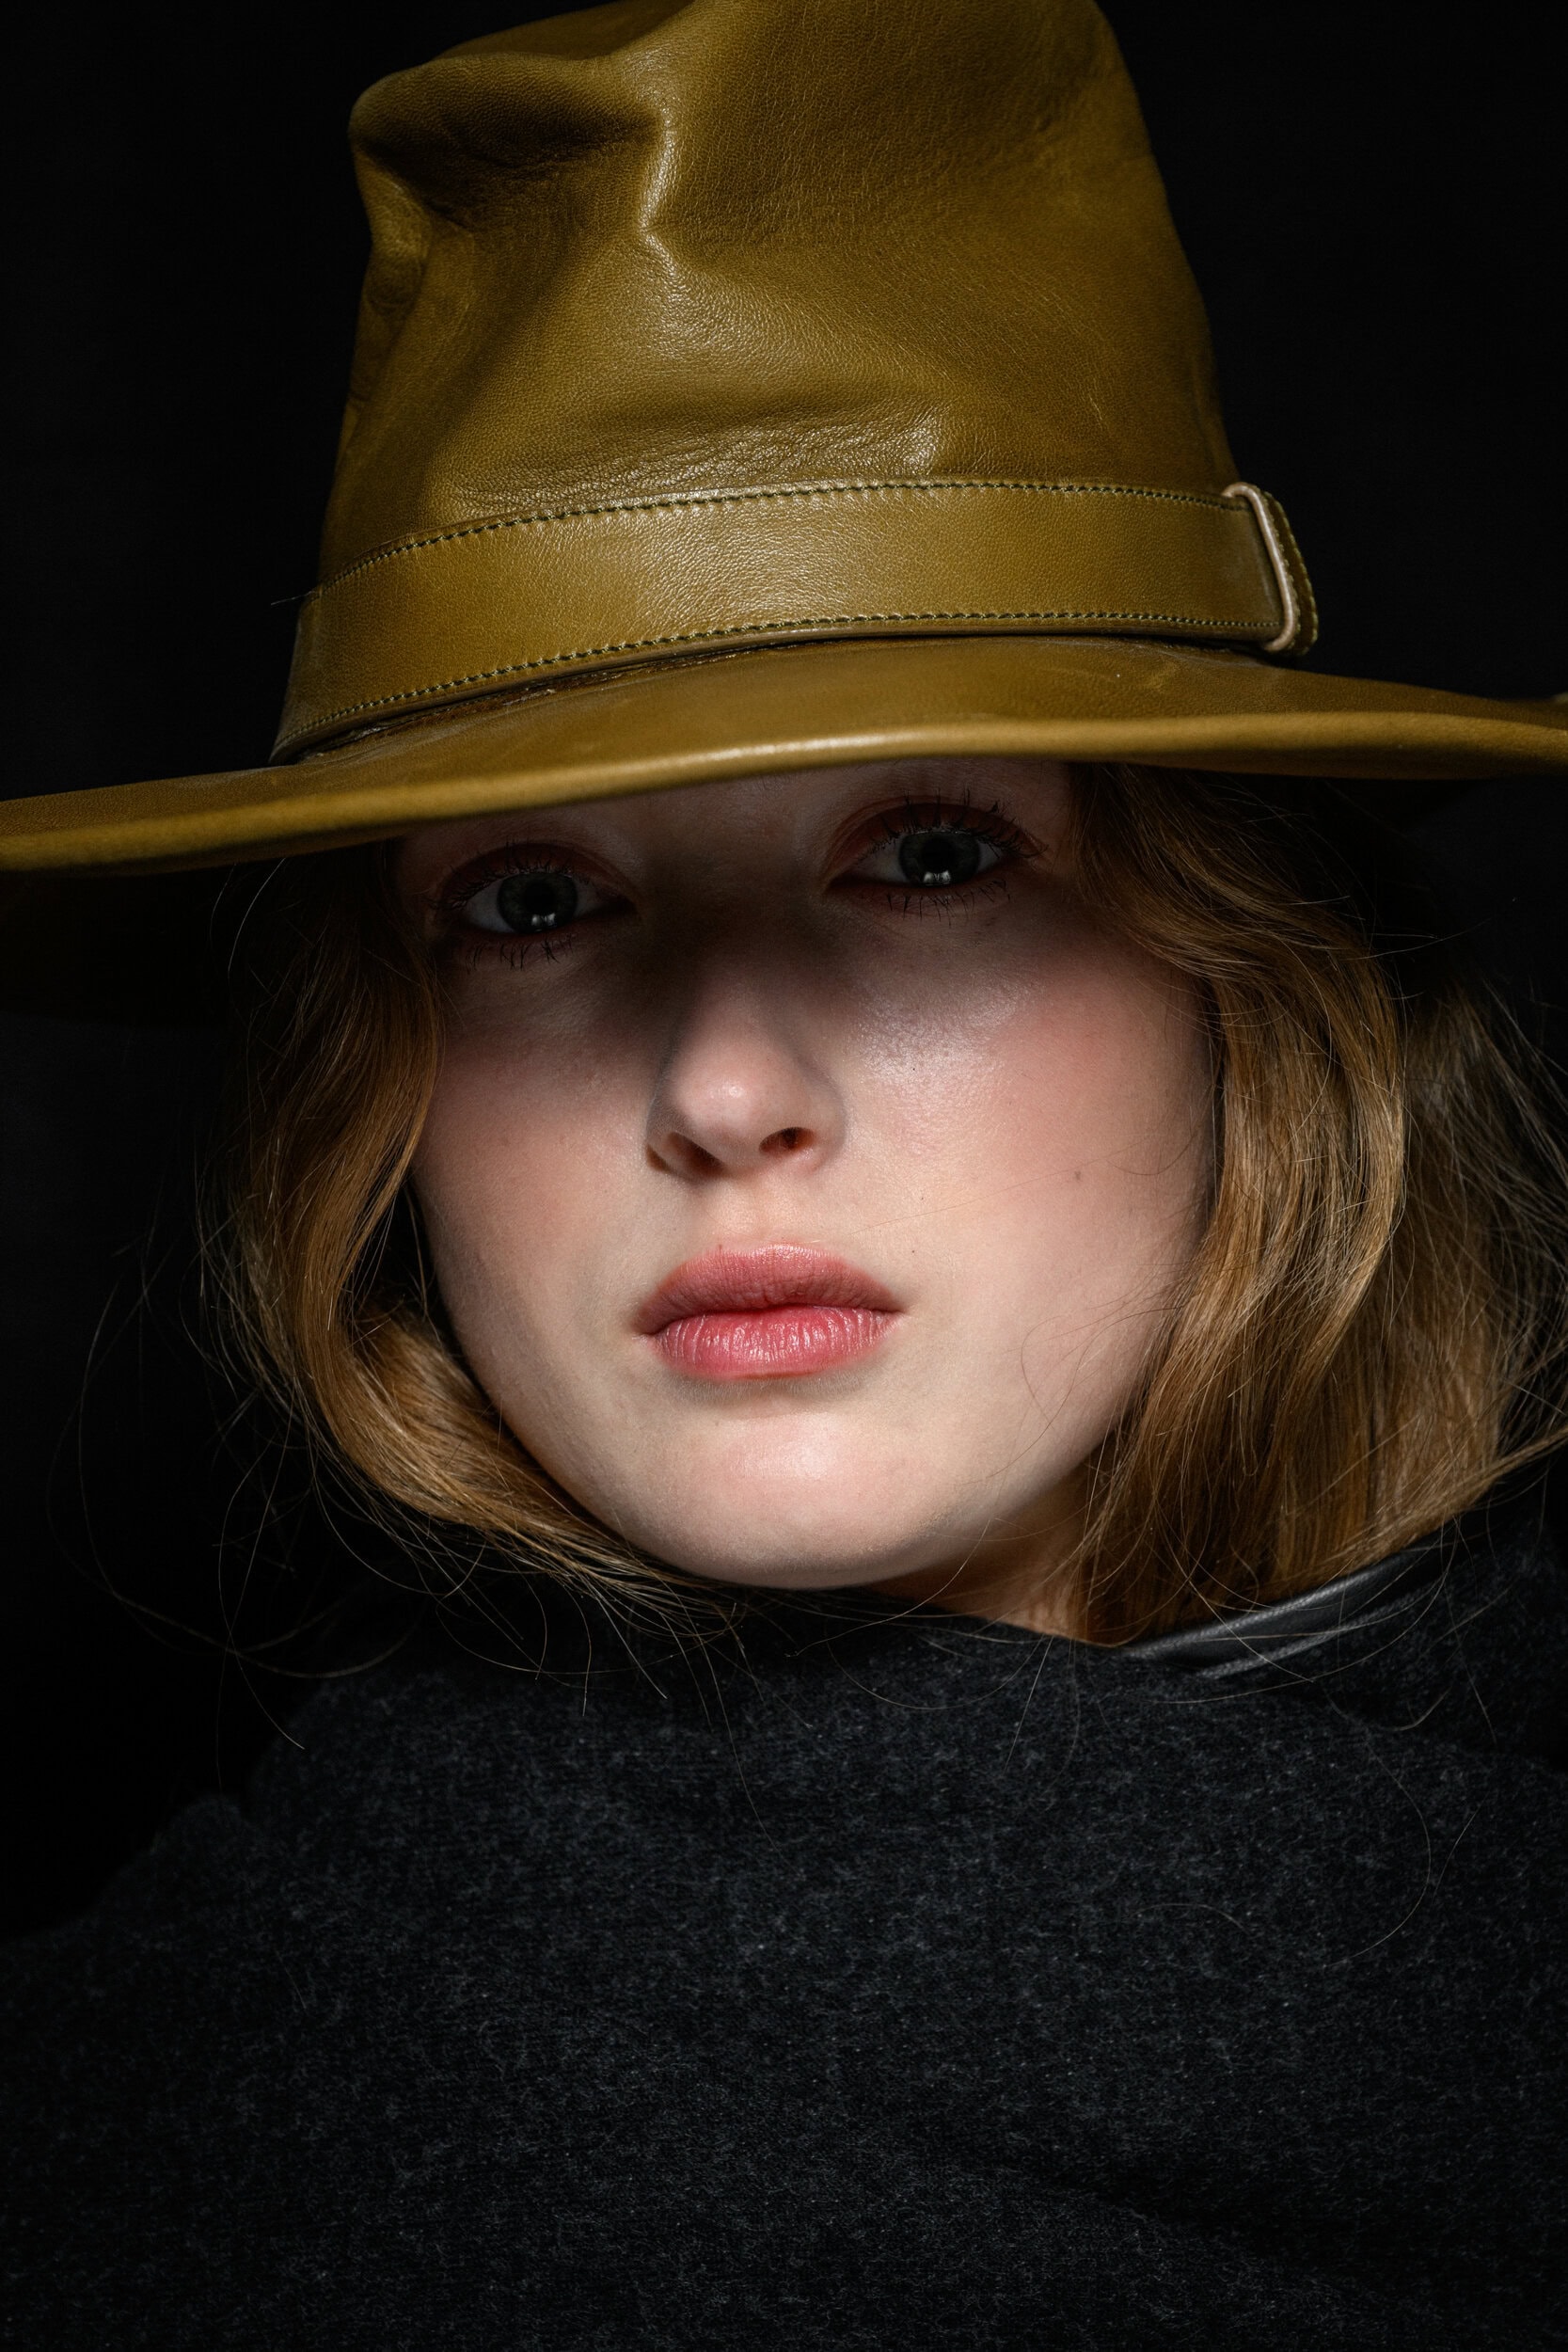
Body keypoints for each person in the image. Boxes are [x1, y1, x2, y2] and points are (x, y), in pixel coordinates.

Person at [3, 2, 1566, 2344]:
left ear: (1251, 975)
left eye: (929, 854)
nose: (727, 1088)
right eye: (536, 900)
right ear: (377, 1087)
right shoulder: (106, 2163)